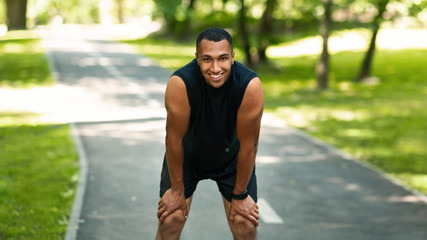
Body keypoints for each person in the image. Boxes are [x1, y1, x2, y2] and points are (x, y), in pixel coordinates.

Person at [156, 28, 264, 240]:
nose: (215, 67)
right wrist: (176, 191)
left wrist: (241, 195)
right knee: (171, 219)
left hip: (232, 158)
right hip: (187, 157)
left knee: (245, 223)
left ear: (232, 57)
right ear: (197, 58)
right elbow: (174, 139)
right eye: (207, 59)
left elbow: (248, 145)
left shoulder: (249, 85)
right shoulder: (180, 83)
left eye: (222, 58)